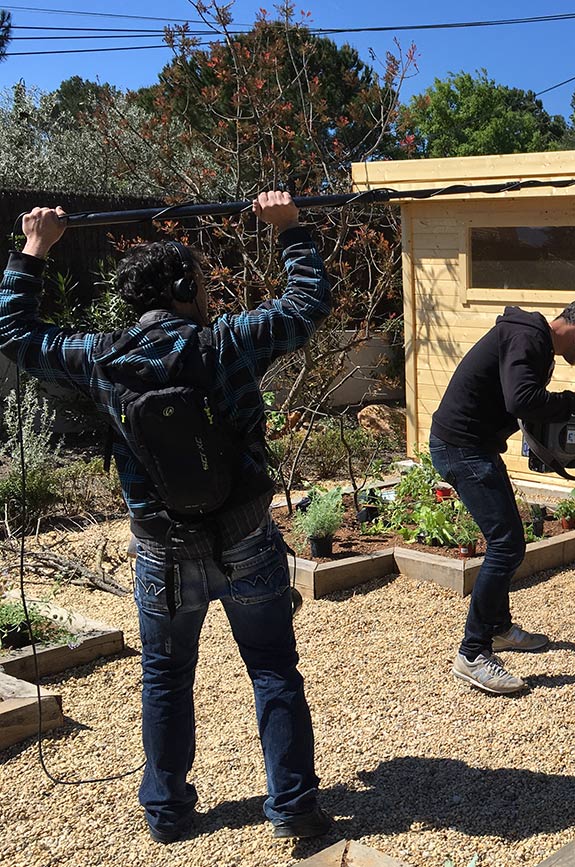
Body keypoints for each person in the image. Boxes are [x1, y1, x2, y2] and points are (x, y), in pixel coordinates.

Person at [0, 193, 330, 844]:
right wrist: (289, 230)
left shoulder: (100, 356)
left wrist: (33, 250)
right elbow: (304, 306)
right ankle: (292, 808)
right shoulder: (229, 342)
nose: (209, 293)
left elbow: (16, 333)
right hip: (244, 536)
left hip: (161, 548)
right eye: (203, 283)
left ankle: (168, 811)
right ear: (184, 289)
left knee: (166, 677)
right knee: (272, 670)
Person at [428, 298, 575, 695]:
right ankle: (472, 652)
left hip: (474, 445)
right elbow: (522, 400)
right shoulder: (528, 339)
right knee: (506, 545)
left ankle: (497, 628)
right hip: (461, 446)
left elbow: (519, 400)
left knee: (508, 541)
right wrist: (571, 401)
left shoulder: (533, 341)